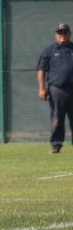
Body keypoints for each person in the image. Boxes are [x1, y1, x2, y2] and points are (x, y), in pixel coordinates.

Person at [36, 22, 73, 154]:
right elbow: (41, 70)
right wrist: (42, 88)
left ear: (69, 34)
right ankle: (56, 146)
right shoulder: (49, 50)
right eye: (59, 33)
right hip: (57, 90)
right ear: (55, 35)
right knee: (57, 118)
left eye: (65, 33)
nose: (62, 35)